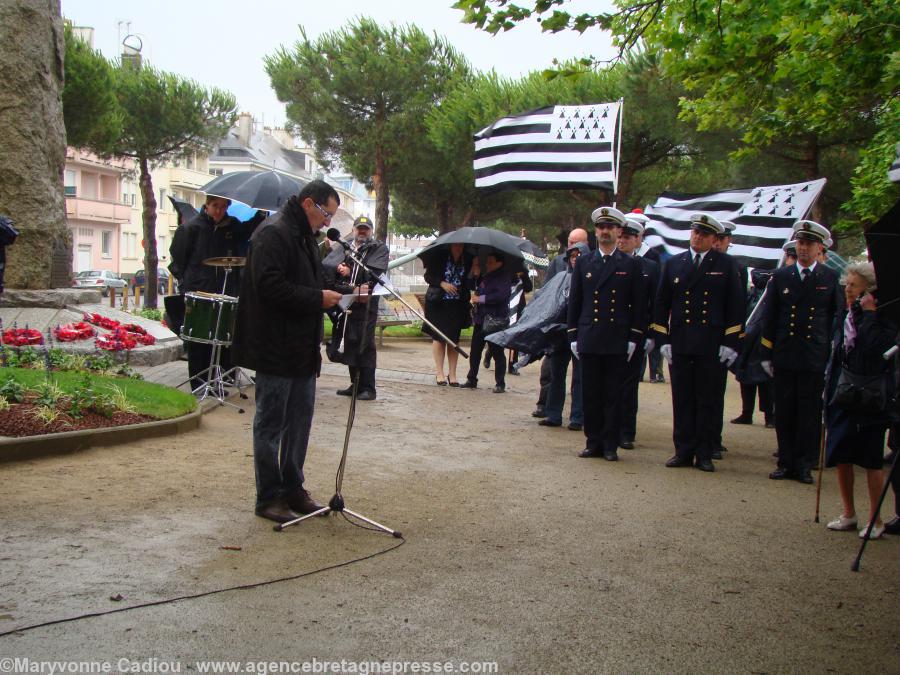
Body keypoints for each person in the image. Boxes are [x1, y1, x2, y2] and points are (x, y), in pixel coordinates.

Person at [231, 180, 343, 524]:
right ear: (308, 203)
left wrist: (338, 293)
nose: (327, 222)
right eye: (326, 213)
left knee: (300, 422)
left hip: (301, 347)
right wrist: (317, 298)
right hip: (274, 346)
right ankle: (269, 496)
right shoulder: (274, 233)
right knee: (271, 423)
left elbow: (308, 282)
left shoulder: (305, 236)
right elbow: (269, 286)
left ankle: (293, 487)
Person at [652, 213, 745, 472]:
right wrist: (663, 338)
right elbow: (661, 304)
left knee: (706, 399)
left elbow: (736, 307)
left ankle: (704, 452)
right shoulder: (675, 264)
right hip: (681, 341)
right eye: (695, 232)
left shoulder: (726, 265)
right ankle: (683, 449)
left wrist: (731, 342)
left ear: (714, 238)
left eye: (704, 234)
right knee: (682, 398)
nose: (698, 237)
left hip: (711, 344)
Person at [760, 221, 843, 484]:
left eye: (809, 244)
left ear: (820, 248)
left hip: (813, 354)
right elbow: (770, 316)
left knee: (808, 412)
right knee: (784, 410)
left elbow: (835, 316)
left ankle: (804, 463)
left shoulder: (829, 278)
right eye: (800, 243)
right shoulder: (782, 276)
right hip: (785, 352)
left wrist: (830, 348)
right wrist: (766, 352)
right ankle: (785, 461)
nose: (804, 248)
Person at [568, 207, 646, 461]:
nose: (605, 232)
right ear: (595, 231)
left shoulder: (630, 264)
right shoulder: (584, 262)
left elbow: (638, 305)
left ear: (618, 231)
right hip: (590, 335)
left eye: (610, 228)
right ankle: (593, 442)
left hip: (616, 337)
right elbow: (576, 301)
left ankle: (610, 444)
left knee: (614, 394)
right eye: (601, 228)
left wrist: (634, 337)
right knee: (591, 393)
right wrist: (572, 335)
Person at [824, 263, 895, 539]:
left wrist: (869, 316)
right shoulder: (846, 313)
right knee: (841, 452)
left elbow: (876, 348)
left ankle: (875, 519)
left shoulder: (883, 316)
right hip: (845, 389)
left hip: (872, 394)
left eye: (853, 285)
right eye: (847, 285)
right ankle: (848, 512)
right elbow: (838, 350)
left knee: (870, 459)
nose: (847, 290)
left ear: (868, 289)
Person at [169, 195, 266, 391]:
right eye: (215, 206)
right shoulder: (191, 228)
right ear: (207, 205)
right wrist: (186, 282)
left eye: (223, 207)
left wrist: (261, 214)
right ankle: (199, 383)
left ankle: (216, 379)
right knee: (199, 339)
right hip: (199, 289)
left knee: (221, 337)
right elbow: (178, 257)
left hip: (224, 288)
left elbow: (248, 231)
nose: (219, 211)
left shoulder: (231, 227)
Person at [323, 216, 389, 401]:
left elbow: (373, 274)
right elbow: (327, 266)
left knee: (365, 343)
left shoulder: (379, 248)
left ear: (371, 231)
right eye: (359, 228)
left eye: (365, 229)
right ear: (353, 230)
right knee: (349, 340)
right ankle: (355, 384)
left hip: (366, 305)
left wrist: (350, 270)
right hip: (345, 301)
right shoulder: (345, 246)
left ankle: (368, 387)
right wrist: (339, 269)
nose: (362, 231)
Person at [533, 227, 589, 418]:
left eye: (578, 244)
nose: (573, 249)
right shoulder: (557, 262)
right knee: (553, 373)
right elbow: (546, 292)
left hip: (581, 330)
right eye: (571, 244)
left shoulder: (593, 264)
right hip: (558, 329)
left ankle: (577, 416)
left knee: (580, 377)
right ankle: (550, 411)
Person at [616, 217, 659, 450]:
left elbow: (655, 303)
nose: (622, 241)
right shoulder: (609, 263)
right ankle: (609, 428)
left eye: (627, 238)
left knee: (630, 385)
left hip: (637, 333)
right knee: (610, 384)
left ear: (637, 240)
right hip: (612, 332)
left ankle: (626, 432)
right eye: (620, 237)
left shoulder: (648, 268)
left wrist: (652, 333)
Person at [709, 220, 747, 459]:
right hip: (697, 338)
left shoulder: (734, 267)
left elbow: (737, 308)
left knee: (714, 393)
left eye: (723, 239)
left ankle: (714, 438)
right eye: (717, 238)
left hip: (720, 338)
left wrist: (732, 342)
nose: (719, 243)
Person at [461, 251, 511, 392]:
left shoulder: (504, 276)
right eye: (486, 262)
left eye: (490, 262)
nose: (487, 265)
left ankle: (500, 383)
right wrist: (473, 271)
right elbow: (473, 287)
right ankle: (472, 379)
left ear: (499, 263)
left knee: (497, 352)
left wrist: (481, 299)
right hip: (480, 319)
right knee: (475, 351)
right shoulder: (485, 275)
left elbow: (500, 296)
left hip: (495, 320)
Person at [422, 243, 471, 386]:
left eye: (461, 246)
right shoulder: (439, 257)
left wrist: (473, 273)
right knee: (438, 337)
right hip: (438, 303)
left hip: (457, 304)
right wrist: (442, 283)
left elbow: (469, 283)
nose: (458, 248)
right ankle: (440, 373)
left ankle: (453, 374)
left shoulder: (467, 259)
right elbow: (428, 276)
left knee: (453, 339)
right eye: (456, 245)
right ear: (450, 246)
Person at [732, 267, 775, 427]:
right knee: (745, 377)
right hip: (747, 340)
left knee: (765, 381)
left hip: (763, 342)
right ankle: (746, 412)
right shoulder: (751, 294)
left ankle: (769, 416)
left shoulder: (771, 293)